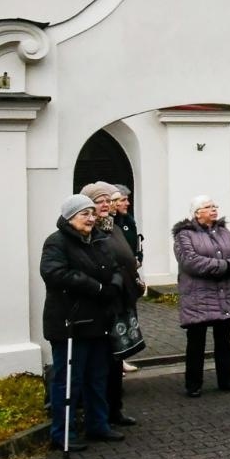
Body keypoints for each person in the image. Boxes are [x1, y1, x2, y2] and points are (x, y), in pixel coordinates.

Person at [41, 194, 125, 450]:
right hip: (71, 322)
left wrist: (114, 286)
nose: (90, 219)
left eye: (92, 214)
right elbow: (55, 273)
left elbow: (115, 267)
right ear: (69, 217)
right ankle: (62, 433)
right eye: (84, 214)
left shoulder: (98, 240)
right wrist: (96, 287)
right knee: (69, 381)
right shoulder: (57, 242)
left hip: (98, 322)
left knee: (97, 378)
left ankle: (98, 424)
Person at [172, 195, 230, 397]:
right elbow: (190, 262)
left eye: (214, 206)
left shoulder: (224, 232)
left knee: (224, 340)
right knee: (196, 342)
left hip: (224, 295)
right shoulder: (184, 235)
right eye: (208, 207)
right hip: (198, 297)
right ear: (197, 213)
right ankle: (193, 384)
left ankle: (226, 379)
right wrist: (225, 266)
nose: (214, 209)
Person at [81, 182, 141, 427]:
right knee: (101, 363)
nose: (106, 204)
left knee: (117, 358)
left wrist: (135, 280)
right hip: (103, 302)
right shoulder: (89, 231)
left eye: (108, 200)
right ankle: (100, 414)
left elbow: (126, 258)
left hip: (122, 300)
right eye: (100, 201)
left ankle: (116, 409)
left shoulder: (113, 227)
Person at [110, 184, 143, 374]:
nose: (127, 203)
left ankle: (122, 358)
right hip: (118, 278)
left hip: (130, 276)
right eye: (123, 200)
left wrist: (138, 258)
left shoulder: (129, 221)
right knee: (118, 320)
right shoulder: (109, 225)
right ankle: (115, 361)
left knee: (129, 318)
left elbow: (136, 244)